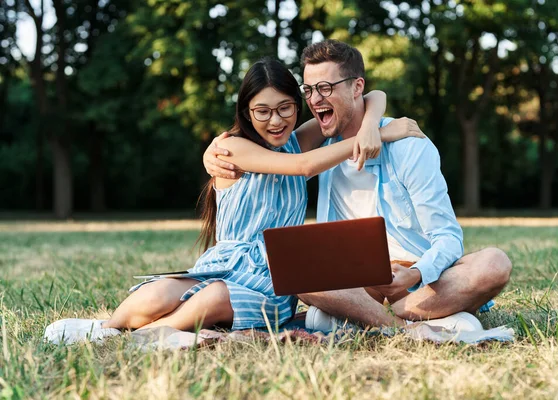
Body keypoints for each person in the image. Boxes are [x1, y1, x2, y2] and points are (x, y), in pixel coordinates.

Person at [43, 58, 423, 344]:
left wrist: (373, 125)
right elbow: (304, 167)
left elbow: (373, 94)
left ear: (297, 105)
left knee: (214, 298)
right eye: (262, 111)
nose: (276, 121)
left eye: (286, 108)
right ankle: (108, 328)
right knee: (159, 292)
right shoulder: (231, 147)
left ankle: (143, 336)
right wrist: (377, 139)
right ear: (246, 111)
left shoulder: (296, 138)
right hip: (222, 264)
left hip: (276, 275)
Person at [204, 40, 513, 331]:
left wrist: (416, 273)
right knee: (292, 268)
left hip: (418, 282)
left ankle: (376, 318)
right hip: (352, 284)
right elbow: (286, 161)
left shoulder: (407, 145)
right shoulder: (320, 147)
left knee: (494, 263)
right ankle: (406, 326)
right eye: (309, 90)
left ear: (357, 87)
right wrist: (213, 151)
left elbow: (447, 237)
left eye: (324, 88)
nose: (313, 99)